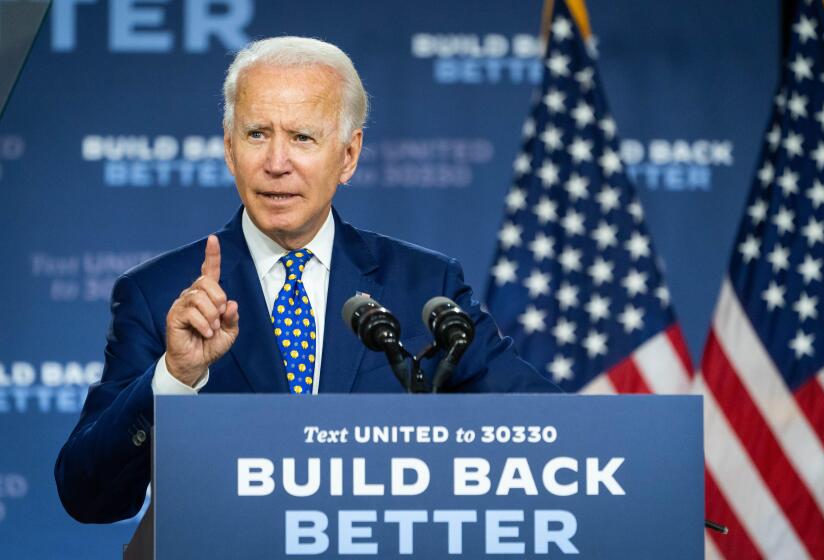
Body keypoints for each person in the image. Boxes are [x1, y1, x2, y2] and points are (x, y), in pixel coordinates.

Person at [55, 36, 558, 524]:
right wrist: (174, 376)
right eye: (257, 135)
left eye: (302, 137)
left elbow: (551, 431)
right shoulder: (159, 296)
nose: (277, 163)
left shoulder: (425, 286)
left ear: (348, 155)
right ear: (229, 149)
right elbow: (88, 495)